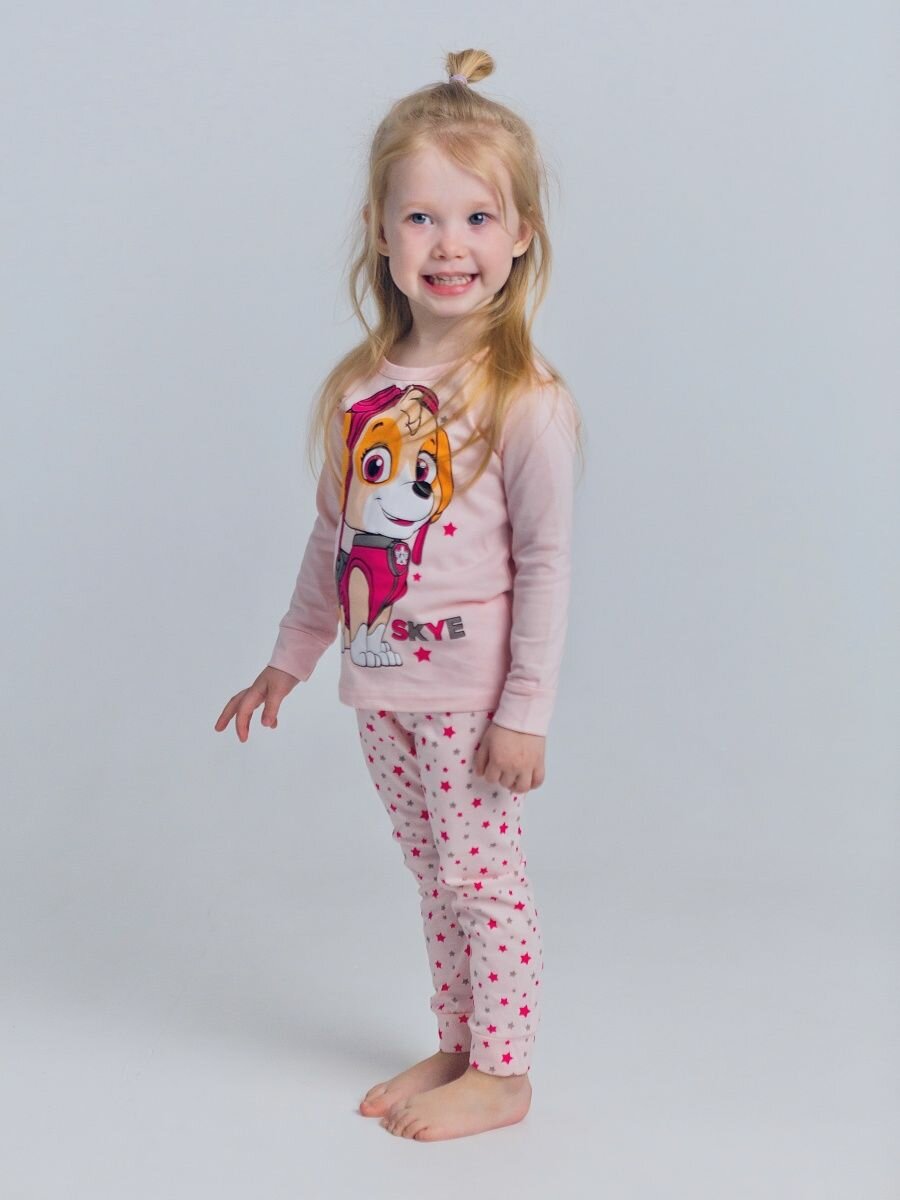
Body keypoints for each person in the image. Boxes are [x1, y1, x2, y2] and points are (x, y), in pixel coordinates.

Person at [214, 47, 586, 1142]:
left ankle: (505, 1074)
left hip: (471, 696)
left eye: (477, 218)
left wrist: (525, 711)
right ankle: (461, 1042)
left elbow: (548, 563)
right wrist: (289, 657)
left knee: (483, 878)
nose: (449, 244)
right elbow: (334, 538)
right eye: (421, 217)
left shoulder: (525, 399)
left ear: (521, 236)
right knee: (435, 876)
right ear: (380, 234)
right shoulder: (360, 388)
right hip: (382, 685)